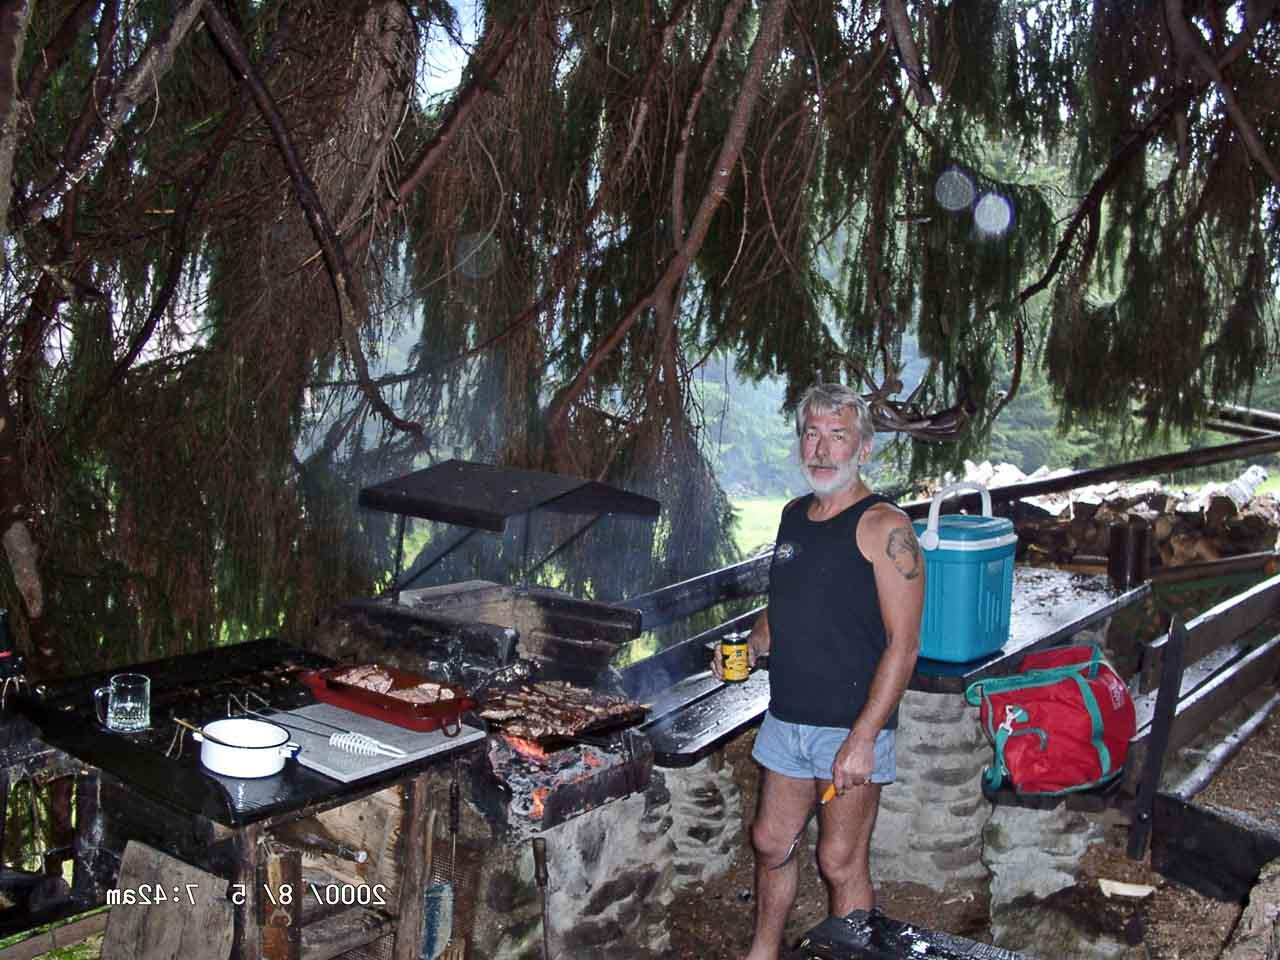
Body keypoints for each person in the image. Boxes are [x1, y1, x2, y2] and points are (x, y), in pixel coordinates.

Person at [712, 381, 924, 960]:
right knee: (769, 840)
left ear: (864, 449)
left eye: (838, 436)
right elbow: (786, 603)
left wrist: (863, 739)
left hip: (849, 726)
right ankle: (763, 950)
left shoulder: (887, 528)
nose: (822, 450)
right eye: (812, 434)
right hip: (789, 717)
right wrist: (754, 644)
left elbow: (903, 646)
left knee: (839, 860)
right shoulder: (793, 517)